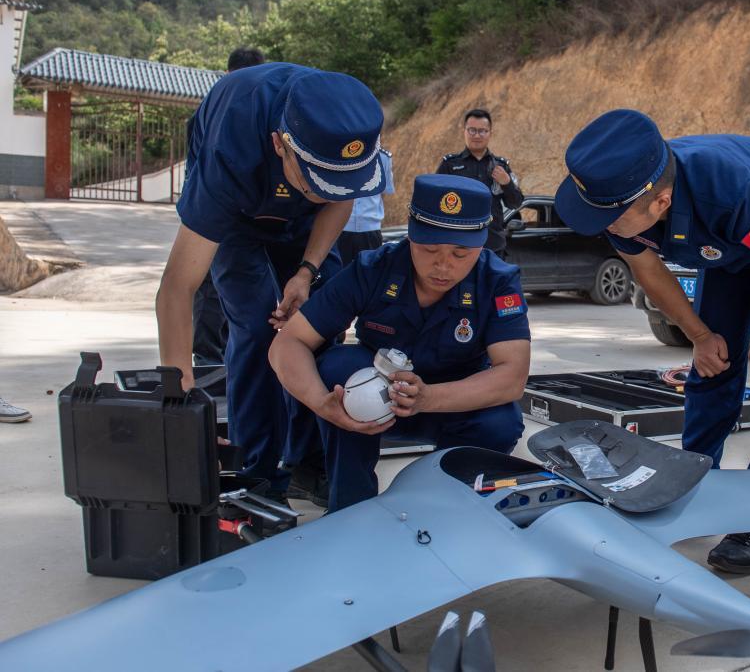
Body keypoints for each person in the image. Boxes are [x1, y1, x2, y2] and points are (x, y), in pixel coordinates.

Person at [555, 109, 750, 574]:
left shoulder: (730, 193)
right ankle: (692, 484)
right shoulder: (624, 197)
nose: (596, 226)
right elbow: (648, 271)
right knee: (713, 362)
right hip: (728, 245)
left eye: (605, 217)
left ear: (661, 202)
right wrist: (700, 335)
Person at [156, 63, 386, 505]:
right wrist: (180, 396)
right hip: (238, 220)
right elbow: (177, 288)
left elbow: (340, 200)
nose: (327, 191)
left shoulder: (348, 127)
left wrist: (306, 272)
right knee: (259, 325)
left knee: (317, 325)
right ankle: (256, 473)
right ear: (280, 145)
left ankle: (306, 462)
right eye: (317, 181)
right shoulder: (231, 149)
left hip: (304, 227)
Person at [269, 174, 530, 513]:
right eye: (429, 248)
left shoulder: (497, 282)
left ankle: (447, 503)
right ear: (410, 234)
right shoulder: (373, 269)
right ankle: (350, 507)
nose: (443, 265)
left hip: (451, 404)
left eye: (460, 253)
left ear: (481, 244)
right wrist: (322, 403)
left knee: (502, 420)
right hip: (376, 403)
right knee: (338, 368)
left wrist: (428, 398)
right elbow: (287, 344)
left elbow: (513, 376)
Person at [191, 46, 267, 366]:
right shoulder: (219, 110)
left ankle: (221, 358)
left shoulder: (217, 108)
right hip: (219, 215)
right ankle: (210, 362)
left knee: (239, 296)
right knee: (210, 288)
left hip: (244, 221)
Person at [437, 109, 524, 256]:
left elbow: (515, 203)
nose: (477, 135)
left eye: (482, 131)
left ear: (490, 133)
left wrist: (507, 183)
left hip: (493, 245)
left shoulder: (501, 166)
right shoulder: (450, 165)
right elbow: (436, 202)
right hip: (459, 246)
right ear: (464, 131)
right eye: (472, 130)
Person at [338, 145, 394, 264]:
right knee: (338, 274)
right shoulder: (338, 154)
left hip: (370, 228)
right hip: (340, 228)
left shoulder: (383, 157)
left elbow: (383, 192)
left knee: (370, 274)